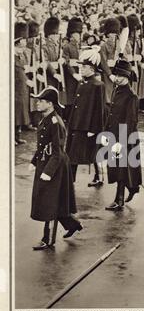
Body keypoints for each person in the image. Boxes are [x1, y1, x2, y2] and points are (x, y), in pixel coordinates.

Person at [29, 87, 82, 250]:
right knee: (54, 201)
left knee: (50, 201)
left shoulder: (55, 122)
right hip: (46, 163)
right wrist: (34, 161)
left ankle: (48, 239)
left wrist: (48, 172)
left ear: (50, 104)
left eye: (41, 101)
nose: (37, 103)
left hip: (56, 166)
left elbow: (58, 152)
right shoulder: (45, 118)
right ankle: (73, 225)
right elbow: (43, 145)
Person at [102, 59, 142, 211]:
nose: (117, 78)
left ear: (127, 77)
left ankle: (119, 201)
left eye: (121, 76)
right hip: (114, 135)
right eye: (116, 75)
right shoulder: (116, 90)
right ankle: (132, 188)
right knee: (119, 168)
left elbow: (131, 121)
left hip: (125, 138)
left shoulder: (131, 96)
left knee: (121, 169)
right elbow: (111, 114)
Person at [66, 47, 106, 185]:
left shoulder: (98, 85)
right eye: (81, 67)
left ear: (92, 69)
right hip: (76, 124)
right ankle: (70, 180)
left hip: (87, 127)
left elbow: (98, 109)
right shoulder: (83, 82)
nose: (81, 69)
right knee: (73, 153)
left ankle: (99, 177)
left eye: (84, 67)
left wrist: (95, 129)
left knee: (92, 153)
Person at [62, 17, 83, 122]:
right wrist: (74, 74)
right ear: (72, 35)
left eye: (79, 34)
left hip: (80, 71)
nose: (79, 36)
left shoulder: (80, 46)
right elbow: (67, 62)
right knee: (70, 96)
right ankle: (69, 117)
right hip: (71, 75)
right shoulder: (67, 47)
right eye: (76, 34)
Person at [15, 22, 30, 145]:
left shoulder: (20, 56)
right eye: (20, 47)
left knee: (20, 113)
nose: (22, 49)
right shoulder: (12, 57)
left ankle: (17, 136)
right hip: (15, 89)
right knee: (15, 113)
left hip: (22, 88)